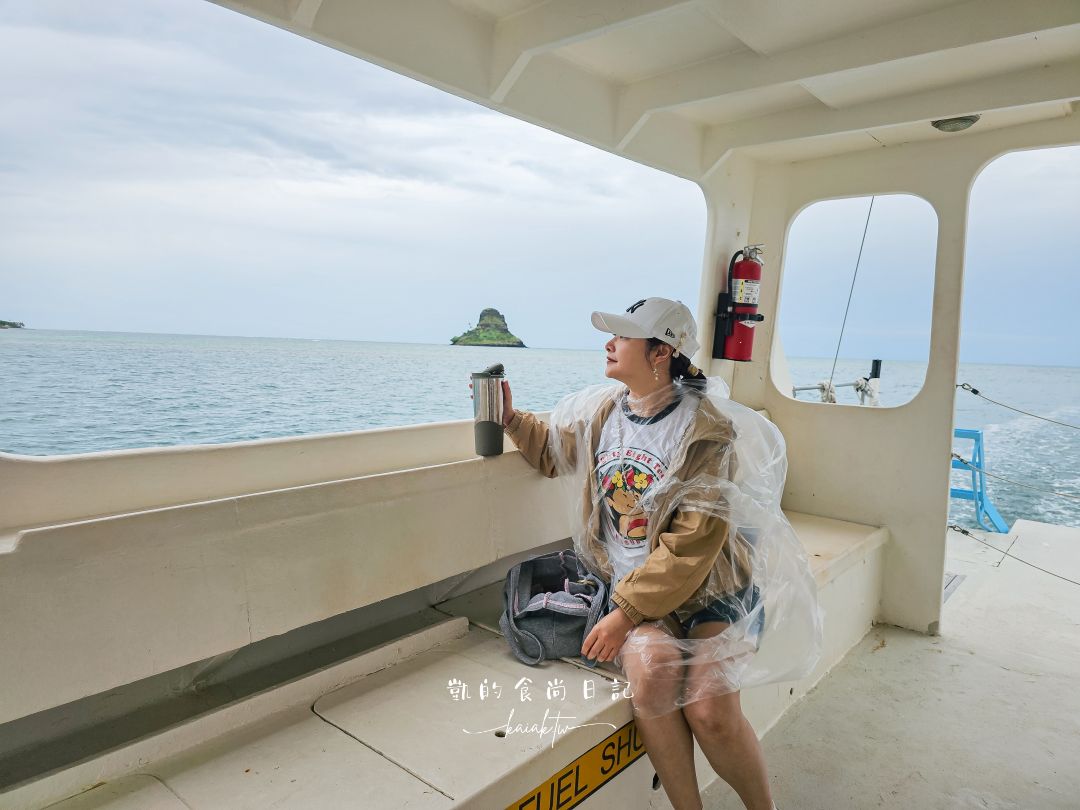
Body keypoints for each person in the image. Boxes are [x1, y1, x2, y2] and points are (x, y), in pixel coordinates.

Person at [486, 297, 808, 810]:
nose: (610, 343)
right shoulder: (606, 413)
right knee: (652, 675)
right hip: (635, 591)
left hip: (711, 591)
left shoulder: (707, 432)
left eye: (623, 336)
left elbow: (691, 545)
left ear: (661, 352)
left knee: (710, 711)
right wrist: (509, 419)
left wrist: (624, 615)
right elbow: (554, 451)